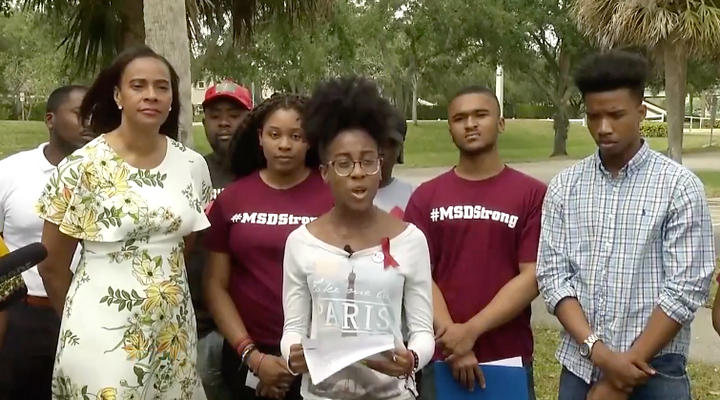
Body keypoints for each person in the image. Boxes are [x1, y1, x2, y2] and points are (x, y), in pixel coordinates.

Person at [536, 50, 715, 400]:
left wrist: (622, 374)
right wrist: (599, 353)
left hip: (655, 370)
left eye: (616, 115)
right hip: (580, 366)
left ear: (641, 112)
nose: (603, 128)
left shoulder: (679, 186)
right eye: (593, 116)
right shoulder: (565, 186)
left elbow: (687, 286)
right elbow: (553, 277)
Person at [35, 46, 212, 400]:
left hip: (172, 329)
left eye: (162, 87)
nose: (151, 95)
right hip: (100, 329)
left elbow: (184, 243)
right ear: (117, 95)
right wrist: (81, 324)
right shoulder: (81, 168)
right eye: (138, 86)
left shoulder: (192, 165)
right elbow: (52, 265)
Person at [280, 76, 435, 400]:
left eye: (368, 161)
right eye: (344, 163)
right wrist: (293, 352)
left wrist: (413, 358)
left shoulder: (410, 240)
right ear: (324, 172)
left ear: (380, 167)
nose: (357, 172)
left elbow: (422, 332)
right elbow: (293, 328)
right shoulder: (301, 242)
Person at [403, 85, 546, 398]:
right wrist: (454, 340)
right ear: (450, 129)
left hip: (508, 358)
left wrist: (471, 331)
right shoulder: (426, 196)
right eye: (460, 118)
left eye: (480, 115)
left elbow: (532, 275)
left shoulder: (532, 194)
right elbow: (417, 274)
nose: (470, 124)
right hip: (441, 358)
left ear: (501, 122)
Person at [203, 93, 333, 400]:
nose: (284, 145)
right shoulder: (233, 198)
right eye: (275, 135)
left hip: (318, 357)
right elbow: (215, 286)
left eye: (296, 136)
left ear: (310, 141)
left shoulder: (332, 196)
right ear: (260, 137)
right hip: (246, 354)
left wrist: (308, 354)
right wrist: (253, 357)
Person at [0, 85, 89, 400]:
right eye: (79, 114)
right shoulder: (11, 173)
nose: (88, 122)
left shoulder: (112, 175)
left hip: (93, 315)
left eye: (94, 114)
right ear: (50, 119)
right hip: (24, 316)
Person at [188, 79, 252, 400]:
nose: (224, 122)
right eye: (215, 115)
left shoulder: (263, 173)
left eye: (234, 115)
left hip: (251, 323)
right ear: (203, 121)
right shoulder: (192, 170)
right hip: (197, 321)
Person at [374, 109, 415, 218]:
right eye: (376, 142)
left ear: (400, 149)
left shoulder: (415, 196)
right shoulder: (340, 198)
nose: (381, 151)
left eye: (389, 144)